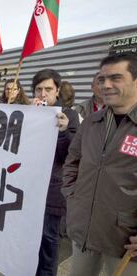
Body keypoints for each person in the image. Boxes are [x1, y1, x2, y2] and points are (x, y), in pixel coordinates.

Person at [62, 53, 137, 276]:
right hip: (84, 229)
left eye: (115, 78)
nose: (105, 85)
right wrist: (72, 195)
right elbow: (72, 161)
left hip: (126, 243)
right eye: (101, 79)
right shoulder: (92, 122)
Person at [31, 69, 79, 276]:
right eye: (39, 89)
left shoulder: (69, 116)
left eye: (48, 89)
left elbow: (70, 156)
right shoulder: (29, 113)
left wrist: (63, 132)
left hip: (53, 192)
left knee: (49, 243)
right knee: (30, 240)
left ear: (57, 90)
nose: (43, 94)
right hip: (29, 188)